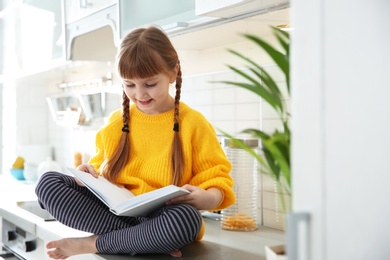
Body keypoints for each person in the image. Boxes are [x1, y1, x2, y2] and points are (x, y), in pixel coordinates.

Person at [35, 26, 235, 259]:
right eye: (129, 85)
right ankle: (146, 239)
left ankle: (95, 243)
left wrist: (207, 198)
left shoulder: (193, 123)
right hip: (115, 213)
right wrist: (87, 175)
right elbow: (100, 173)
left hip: (165, 216)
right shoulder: (116, 122)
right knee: (48, 183)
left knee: (186, 219)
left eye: (150, 84)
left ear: (173, 73)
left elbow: (218, 180)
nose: (140, 94)